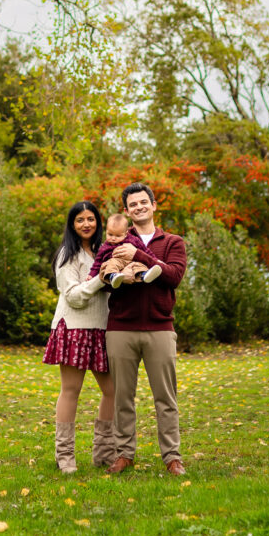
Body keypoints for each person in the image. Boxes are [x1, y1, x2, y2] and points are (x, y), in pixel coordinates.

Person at [101, 182, 187, 477]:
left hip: (160, 328)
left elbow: (173, 276)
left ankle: (172, 457)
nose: (138, 207)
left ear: (153, 205)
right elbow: (103, 270)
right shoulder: (117, 239)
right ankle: (124, 454)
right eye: (132, 204)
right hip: (121, 328)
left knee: (165, 397)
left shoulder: (172, 241)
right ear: (126, 211)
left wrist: (142, 257)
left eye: (143, 202)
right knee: (122, 396)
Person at [43, 201, 116, 473]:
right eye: (80, 220)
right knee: (71, 391)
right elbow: (73, 298)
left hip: (101, 329)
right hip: (73, 328)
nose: (86, 224)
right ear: (72, 225)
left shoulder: (104, 251)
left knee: (113, 391)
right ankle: (65, 457)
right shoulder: (67, 254)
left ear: (98, 222)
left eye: (91, 219)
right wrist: (100, 279)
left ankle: (104, 454)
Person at [89, 213, 162, 287]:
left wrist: (155, 259)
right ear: (106, 231)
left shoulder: (133, 240)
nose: (113, 238)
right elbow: (97, 263)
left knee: (139, 265)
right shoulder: (105, 247)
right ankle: (113, 276)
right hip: (114, 262)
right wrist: (91, 274)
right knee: (111, 264)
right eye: (110, 234)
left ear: (125, 234)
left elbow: (145, 250)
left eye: (118, 236)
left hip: (131, 262)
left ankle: (144, 275)